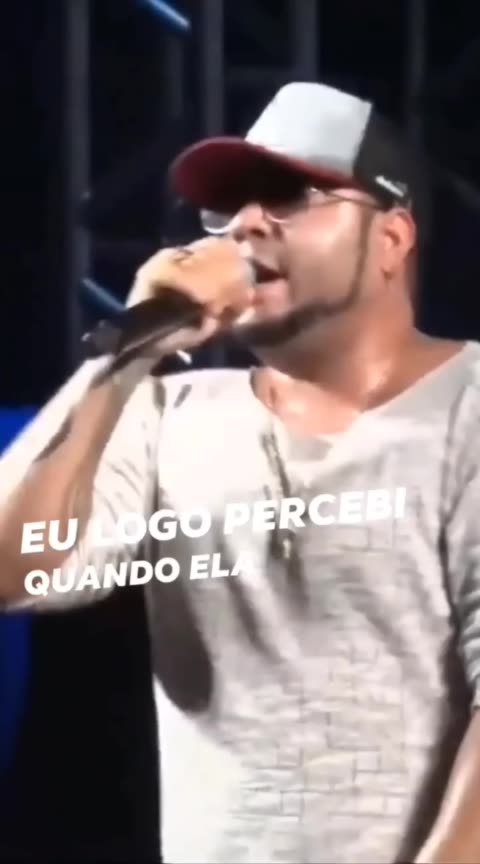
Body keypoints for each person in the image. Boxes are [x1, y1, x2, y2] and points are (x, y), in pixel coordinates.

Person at [1, 81, 480, 864]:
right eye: (226, 209)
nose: (244, 226)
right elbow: (15, 569)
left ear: (392, 239)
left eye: (289, 197)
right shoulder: (168, 415)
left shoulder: (469, 405)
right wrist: (123, 361)